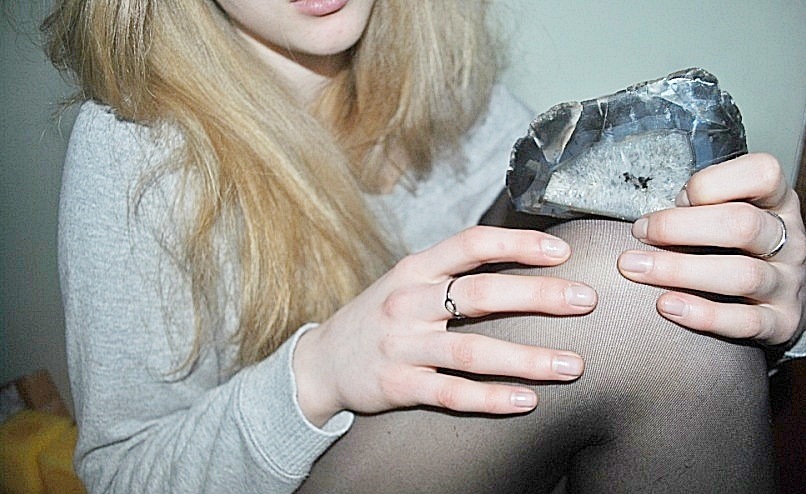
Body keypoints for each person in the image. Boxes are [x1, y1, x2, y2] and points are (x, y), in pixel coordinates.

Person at [43, 0, 805, 492]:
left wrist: (749, 296)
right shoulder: (137, 143)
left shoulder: (451, 91)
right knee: (634, 300)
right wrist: (319, 372)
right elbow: (122, 473)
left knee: (654, 283)